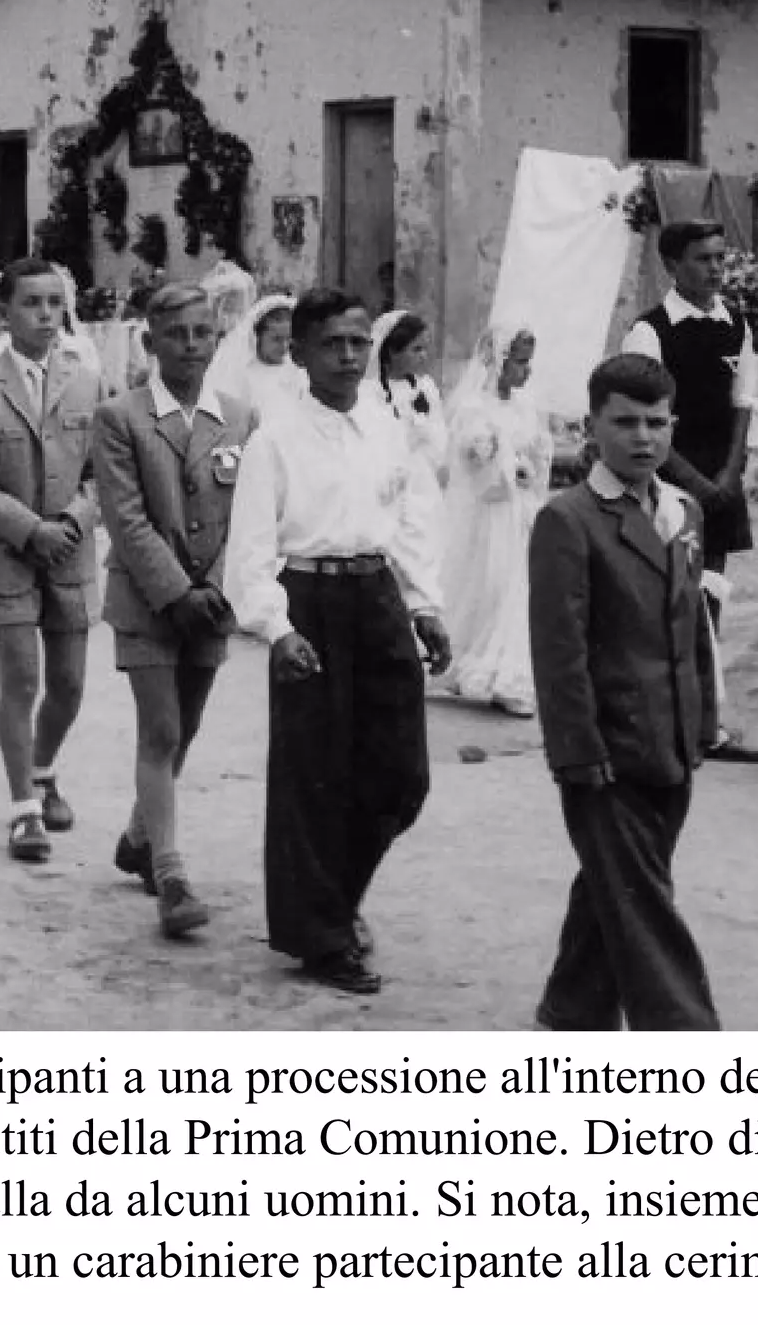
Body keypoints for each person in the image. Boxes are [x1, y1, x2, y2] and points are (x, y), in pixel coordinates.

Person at [224, 287, 452, 994]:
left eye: (359, 342)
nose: (349, 356)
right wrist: (277, 627)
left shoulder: (387, 427)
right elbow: (250, 550)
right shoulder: (276, 440)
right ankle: (322, 935)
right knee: (313, 777)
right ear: (300, 353)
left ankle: (332, 902)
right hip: (309, 603)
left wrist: (424, 606)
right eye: (332, 344)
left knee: (401, 775)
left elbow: (409, 518)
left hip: (377, 596)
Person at [530, 353, 722, 1031]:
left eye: (657, 422)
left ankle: (572, 1010)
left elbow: (694, 626)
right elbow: (560, 649)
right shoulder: (570, 518)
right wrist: (576, 749)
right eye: (626, 423)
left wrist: (704, 722)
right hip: (607, 750)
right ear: (592, 427)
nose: (644, 438)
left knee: (618, 883)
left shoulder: (685, 511)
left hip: (670, 741)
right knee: (643, 899)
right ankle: (686, 1032)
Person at [93, 283, 255, 937]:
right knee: (159, 730)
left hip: (211, 602)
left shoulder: (241, 418)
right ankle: (172, 873)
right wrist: (176, 591)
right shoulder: (121, 417)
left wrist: (216, 585)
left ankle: (137, 836)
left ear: (217, 340)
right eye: (177, 334)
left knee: (185, 728)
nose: (191, 346)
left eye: (202, 333)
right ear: (150, 341)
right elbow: (126, 518)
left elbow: (247, 512)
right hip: (147, 599)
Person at [0, 257, 111, 864]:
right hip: (8, 554)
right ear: (2, 311)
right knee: (21, 677)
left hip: (70, 552)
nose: (45, 315)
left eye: (54, 303)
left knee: (68, 686)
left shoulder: (91, 382)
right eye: (31, 304)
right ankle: (23, 811)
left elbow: (104, 471)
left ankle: (43, 767)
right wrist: (29, 529)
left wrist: (72, 521)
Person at [623, 218, 758, 764]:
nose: (714, 269)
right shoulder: (650, 331)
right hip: (668, 479)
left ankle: (706, 723)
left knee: (709, 597)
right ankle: (657, 722)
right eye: (702, 259)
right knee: (662, 601)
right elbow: (643, 420)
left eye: (719, 258)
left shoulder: (736, 324)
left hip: (718, 482)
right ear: (672, 265)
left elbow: (742, 404)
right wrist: (692, 483)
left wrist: (726, 478)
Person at [442, 327, 551, 715]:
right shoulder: (475, 407)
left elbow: (538, 450)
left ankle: (509, 672)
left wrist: (531, 466)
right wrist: (504, 464)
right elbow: (472, 460)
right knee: (488, 583)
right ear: (498, 361)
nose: (526, 371)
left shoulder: (523, 406)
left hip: (518, 509)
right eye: (520, 362)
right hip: (489, 511)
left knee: (517, 586)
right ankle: (475, 661)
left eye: (528, 362)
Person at [369, 307, 450, 576]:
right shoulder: (372, 392)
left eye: (425, 349)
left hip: (423, 479)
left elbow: (439, 433)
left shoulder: (424, 387)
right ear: (392, 352)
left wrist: (427, 436)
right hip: (388, 479)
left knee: (427, 548)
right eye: (416, 349)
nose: (423, 356)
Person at [204, 292, 305, 425]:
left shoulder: (297, 371)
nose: (284, 346)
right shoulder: (241, 373)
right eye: (276, 339)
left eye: (288, 339)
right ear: (257, 337)